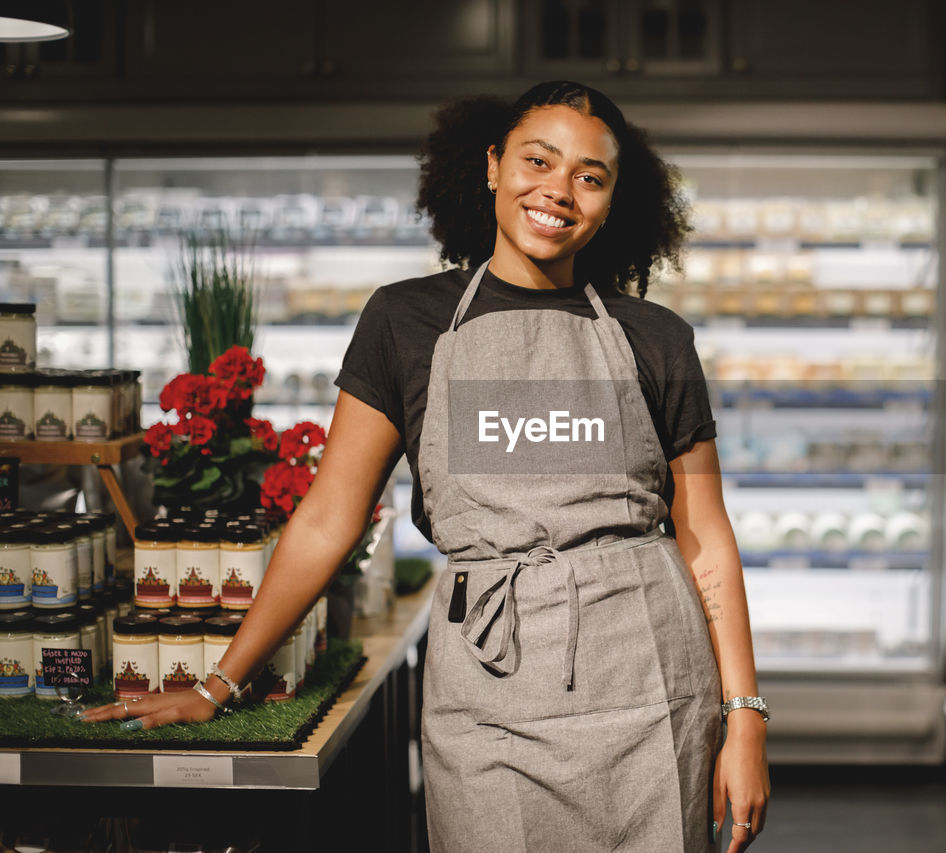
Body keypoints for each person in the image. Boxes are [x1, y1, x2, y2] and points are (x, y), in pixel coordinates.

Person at [83, 80, 770, 852]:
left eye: (589, 176)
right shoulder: (404, 322)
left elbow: (703, 533)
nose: (558, 191)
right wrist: (218, 681)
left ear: (611, 201)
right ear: (490, 166)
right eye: (537, 161)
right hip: (489, 693)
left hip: (650, 686)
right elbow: (326, 518)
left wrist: (743, 714)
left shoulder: (657, 336)